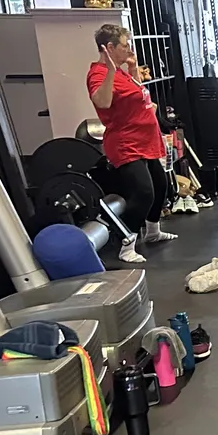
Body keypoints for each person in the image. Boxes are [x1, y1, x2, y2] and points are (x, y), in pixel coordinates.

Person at [86, 23, 174, 263]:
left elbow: (138, 95)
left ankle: (153, 233)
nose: (130, 49)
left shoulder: (124, 71)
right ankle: (126, 244)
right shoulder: (98, 74)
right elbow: (102, 103)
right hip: (126, 143)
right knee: (144, 193)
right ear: (109, 48)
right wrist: (113, 71)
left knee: (161, 185)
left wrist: (132, 69)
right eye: (125, 45)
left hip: (145, 139)